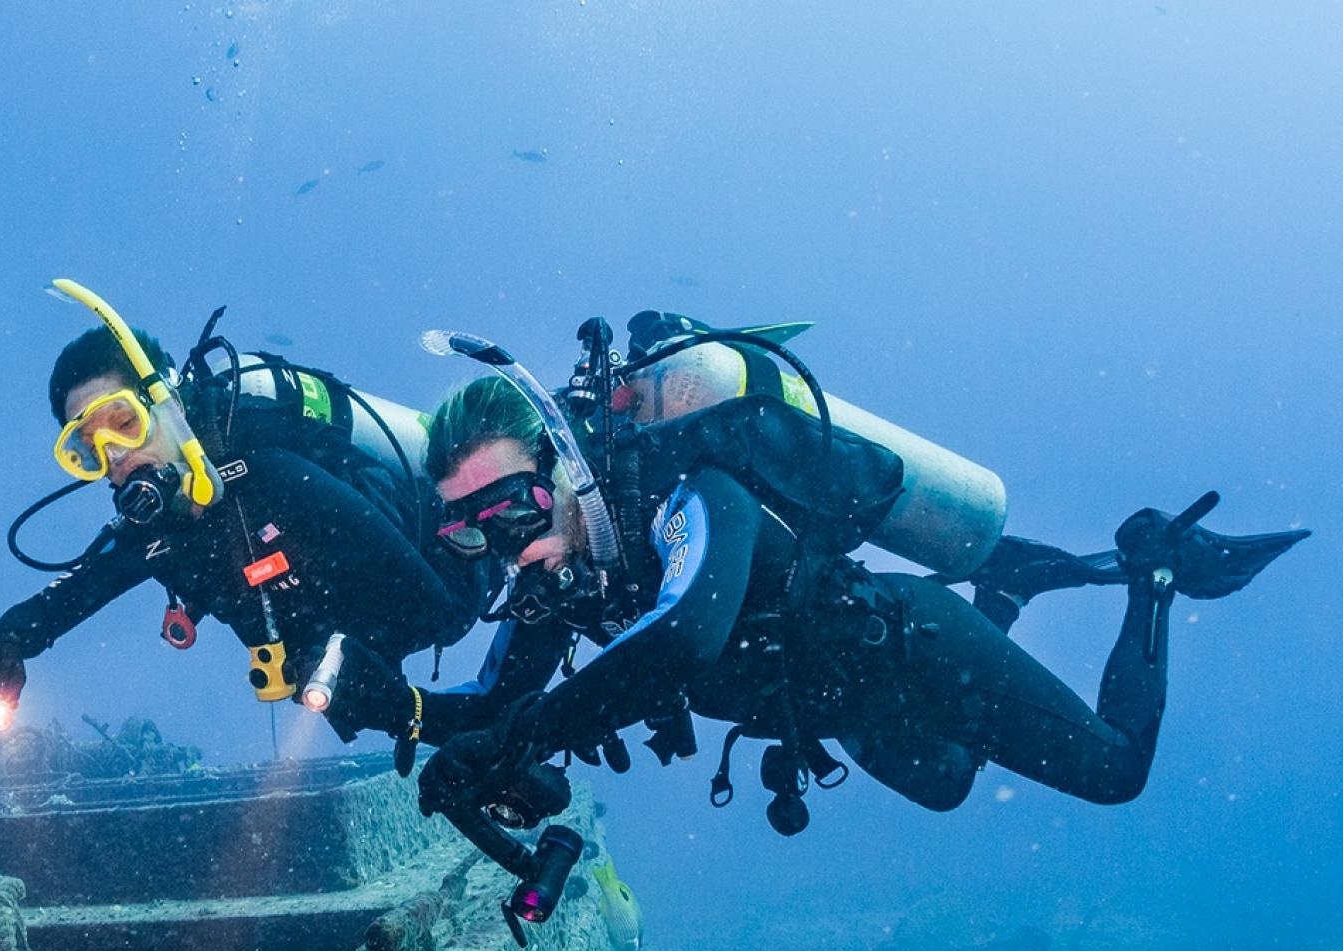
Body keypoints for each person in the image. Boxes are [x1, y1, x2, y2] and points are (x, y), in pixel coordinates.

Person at [312, 318, 1308, 883]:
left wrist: (518, 740)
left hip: (905, 642)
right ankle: (1007, 587)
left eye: (512, 507)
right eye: (467, 530)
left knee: (1110, 774)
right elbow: (490, 713)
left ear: (565, 469)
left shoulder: (695, 497)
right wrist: (396, 710)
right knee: (947, 782)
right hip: (830, 709)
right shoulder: (562, 585)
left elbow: (685, 639)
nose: (503, 547)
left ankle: (1156, 574)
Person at [0, 292, 487, 735]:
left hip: (457, 578)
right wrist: (5, 644)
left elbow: (437, 610)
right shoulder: (159, 530)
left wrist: (360, 662)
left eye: (123, 421)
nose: (115, 455)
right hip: (345, 664)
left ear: (167, 403)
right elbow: (74, 595)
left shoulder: (270, 475)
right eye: (89, 448)